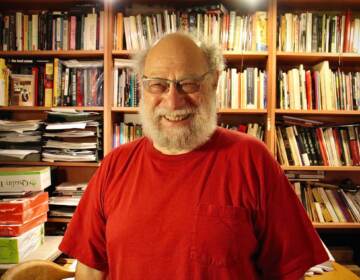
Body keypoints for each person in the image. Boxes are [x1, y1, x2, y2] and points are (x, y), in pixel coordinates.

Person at [59, 32, 329, 280]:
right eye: (158, 85)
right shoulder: (115, 164)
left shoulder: (252, 159)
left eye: (188, 84)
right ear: (143, 88)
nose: (173, 102)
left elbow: (289, 270)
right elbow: (91, 270)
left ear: (213, 82)